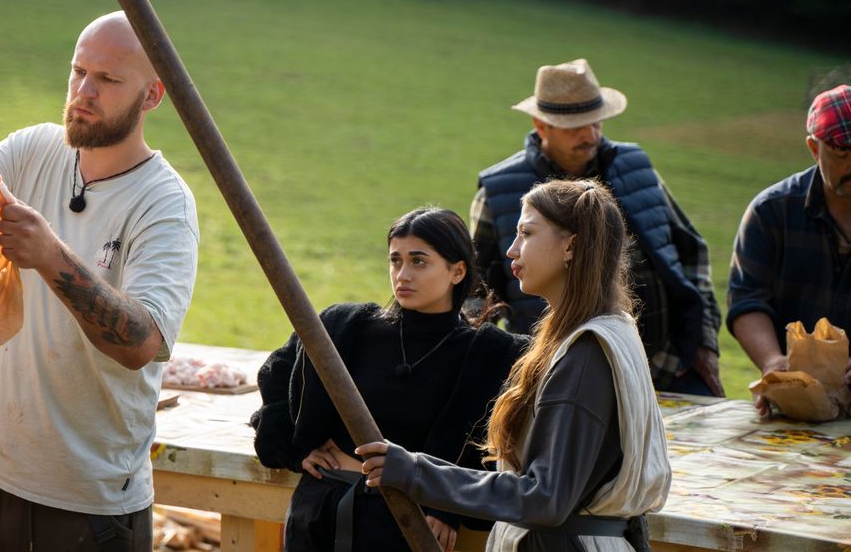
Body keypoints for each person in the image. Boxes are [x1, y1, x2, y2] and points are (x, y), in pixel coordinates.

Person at [0, 11, 199, 551]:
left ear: (151, 96)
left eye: (108, 80)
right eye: (78, 71)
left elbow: (143, 344)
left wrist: (50, 256)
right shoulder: (35, 149)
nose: (84, 92)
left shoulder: (164, 203)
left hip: (87, 501)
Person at [358, 180, 671, 552]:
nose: (511, 249)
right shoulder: (607, 330)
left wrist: (414, 472)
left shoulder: (586, 354)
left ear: (570, 245)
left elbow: (545, 497)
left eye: (526, 233)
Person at [251, 207, 527, 552]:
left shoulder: (490, 354)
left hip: (405, 524)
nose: (403, 274)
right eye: (395, 261)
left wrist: (449, 507)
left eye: (419, 261)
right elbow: (277, 372)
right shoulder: (346, 327)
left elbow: (494, 439)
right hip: (320, 511)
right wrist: (293, 448)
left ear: (457, 271)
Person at [470, 58, 724, 396]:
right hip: (559, 378)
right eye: (575, 126)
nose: (590, 135)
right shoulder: (498, 189)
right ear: (541, 124)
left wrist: (703, 343)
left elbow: (691, 254)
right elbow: (475, 293)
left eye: (596, 122)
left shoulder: (638, 167)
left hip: (666, 369)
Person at [729, 84, 851, 415]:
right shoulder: (771, 212)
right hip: (795, 401)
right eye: (842, 154)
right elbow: (747, 299)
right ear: (815, 148)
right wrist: (772, 361)